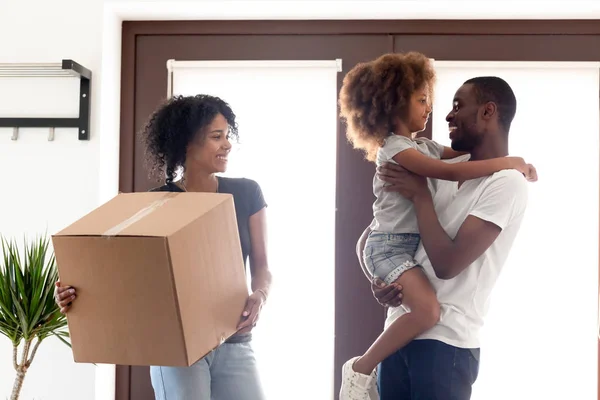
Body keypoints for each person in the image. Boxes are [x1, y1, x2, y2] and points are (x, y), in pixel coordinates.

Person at [337, 52, 536, 400]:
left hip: (447, 346)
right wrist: (379, 279)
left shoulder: (506, 182)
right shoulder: (429, 169)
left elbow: (446, 264)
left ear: (488, 111)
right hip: (399, 336)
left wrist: (421, 198)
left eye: (458, 105)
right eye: (427, 100)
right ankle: (359, 369)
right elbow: (372, 235)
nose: (445, 113)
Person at [54, 94, 271, 400]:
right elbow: (123, 277)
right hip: (177, 349)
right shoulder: (154, 205)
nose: (227, 144)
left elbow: (262, 266)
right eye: (216, 137)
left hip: (235, 340)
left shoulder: (247, 192)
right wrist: (76, 294)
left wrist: (260, 295)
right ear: (187, 143)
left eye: (227, 135)